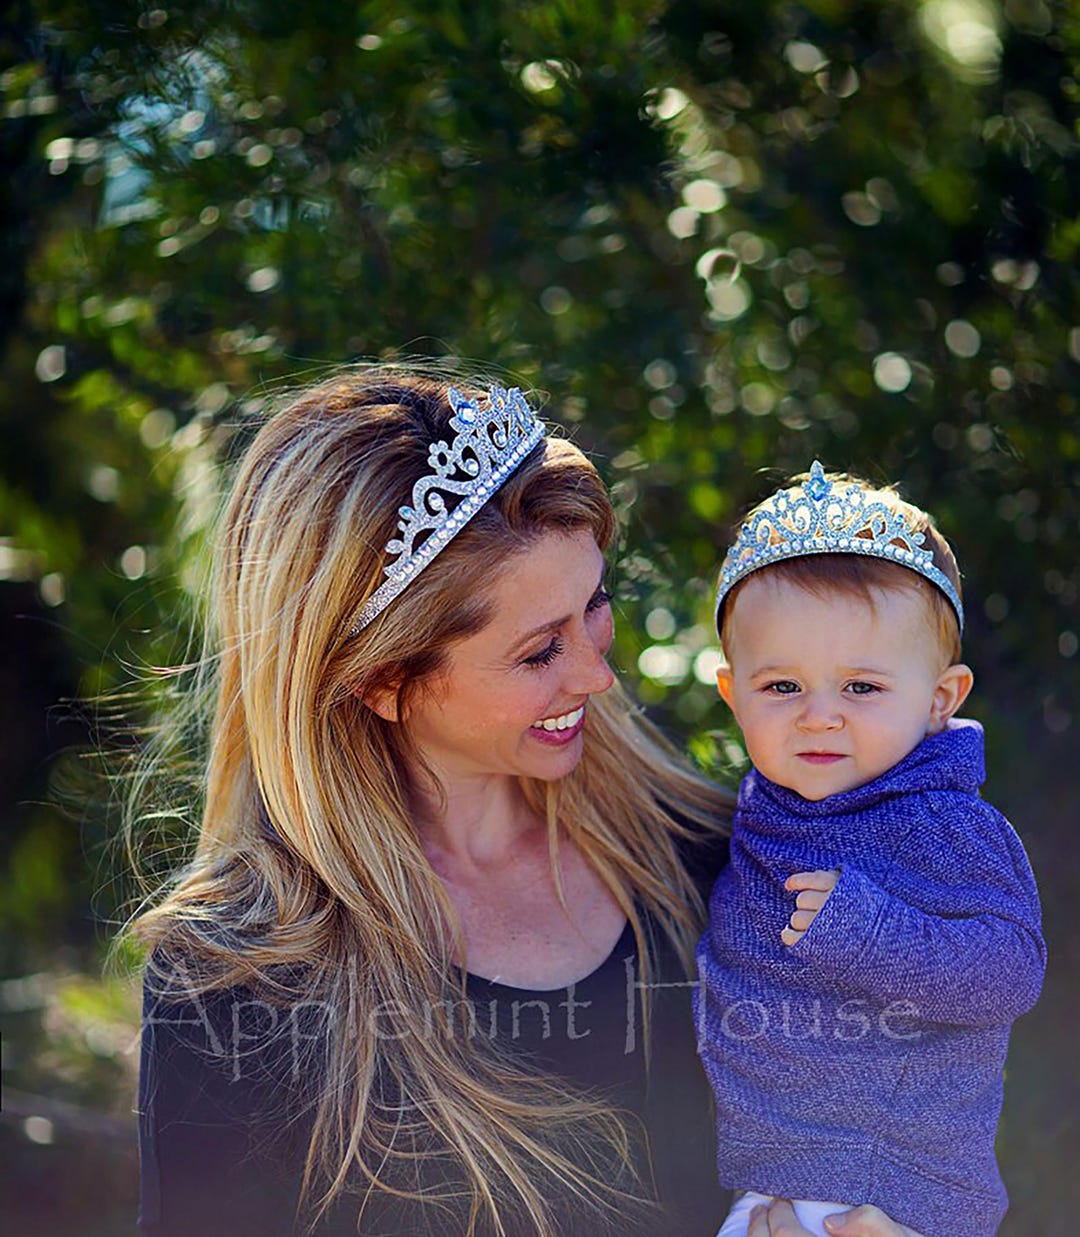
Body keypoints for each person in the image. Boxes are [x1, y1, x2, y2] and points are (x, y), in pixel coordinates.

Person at [132, 370, 927, 1237]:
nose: (596, 672)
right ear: (381, 680)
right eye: (540, 650)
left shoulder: (727, 861)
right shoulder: (235, 979)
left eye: (595, 606)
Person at [695, 464, 1046, 1237]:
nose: (820, 717)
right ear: (732, 693)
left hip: (892, 1196)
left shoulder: (947, 825)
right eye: (782, 687)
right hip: (768, 1186)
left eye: (861, 688)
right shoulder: (758, 810)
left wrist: (870, 933)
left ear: (940, 699)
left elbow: (1012, 970)